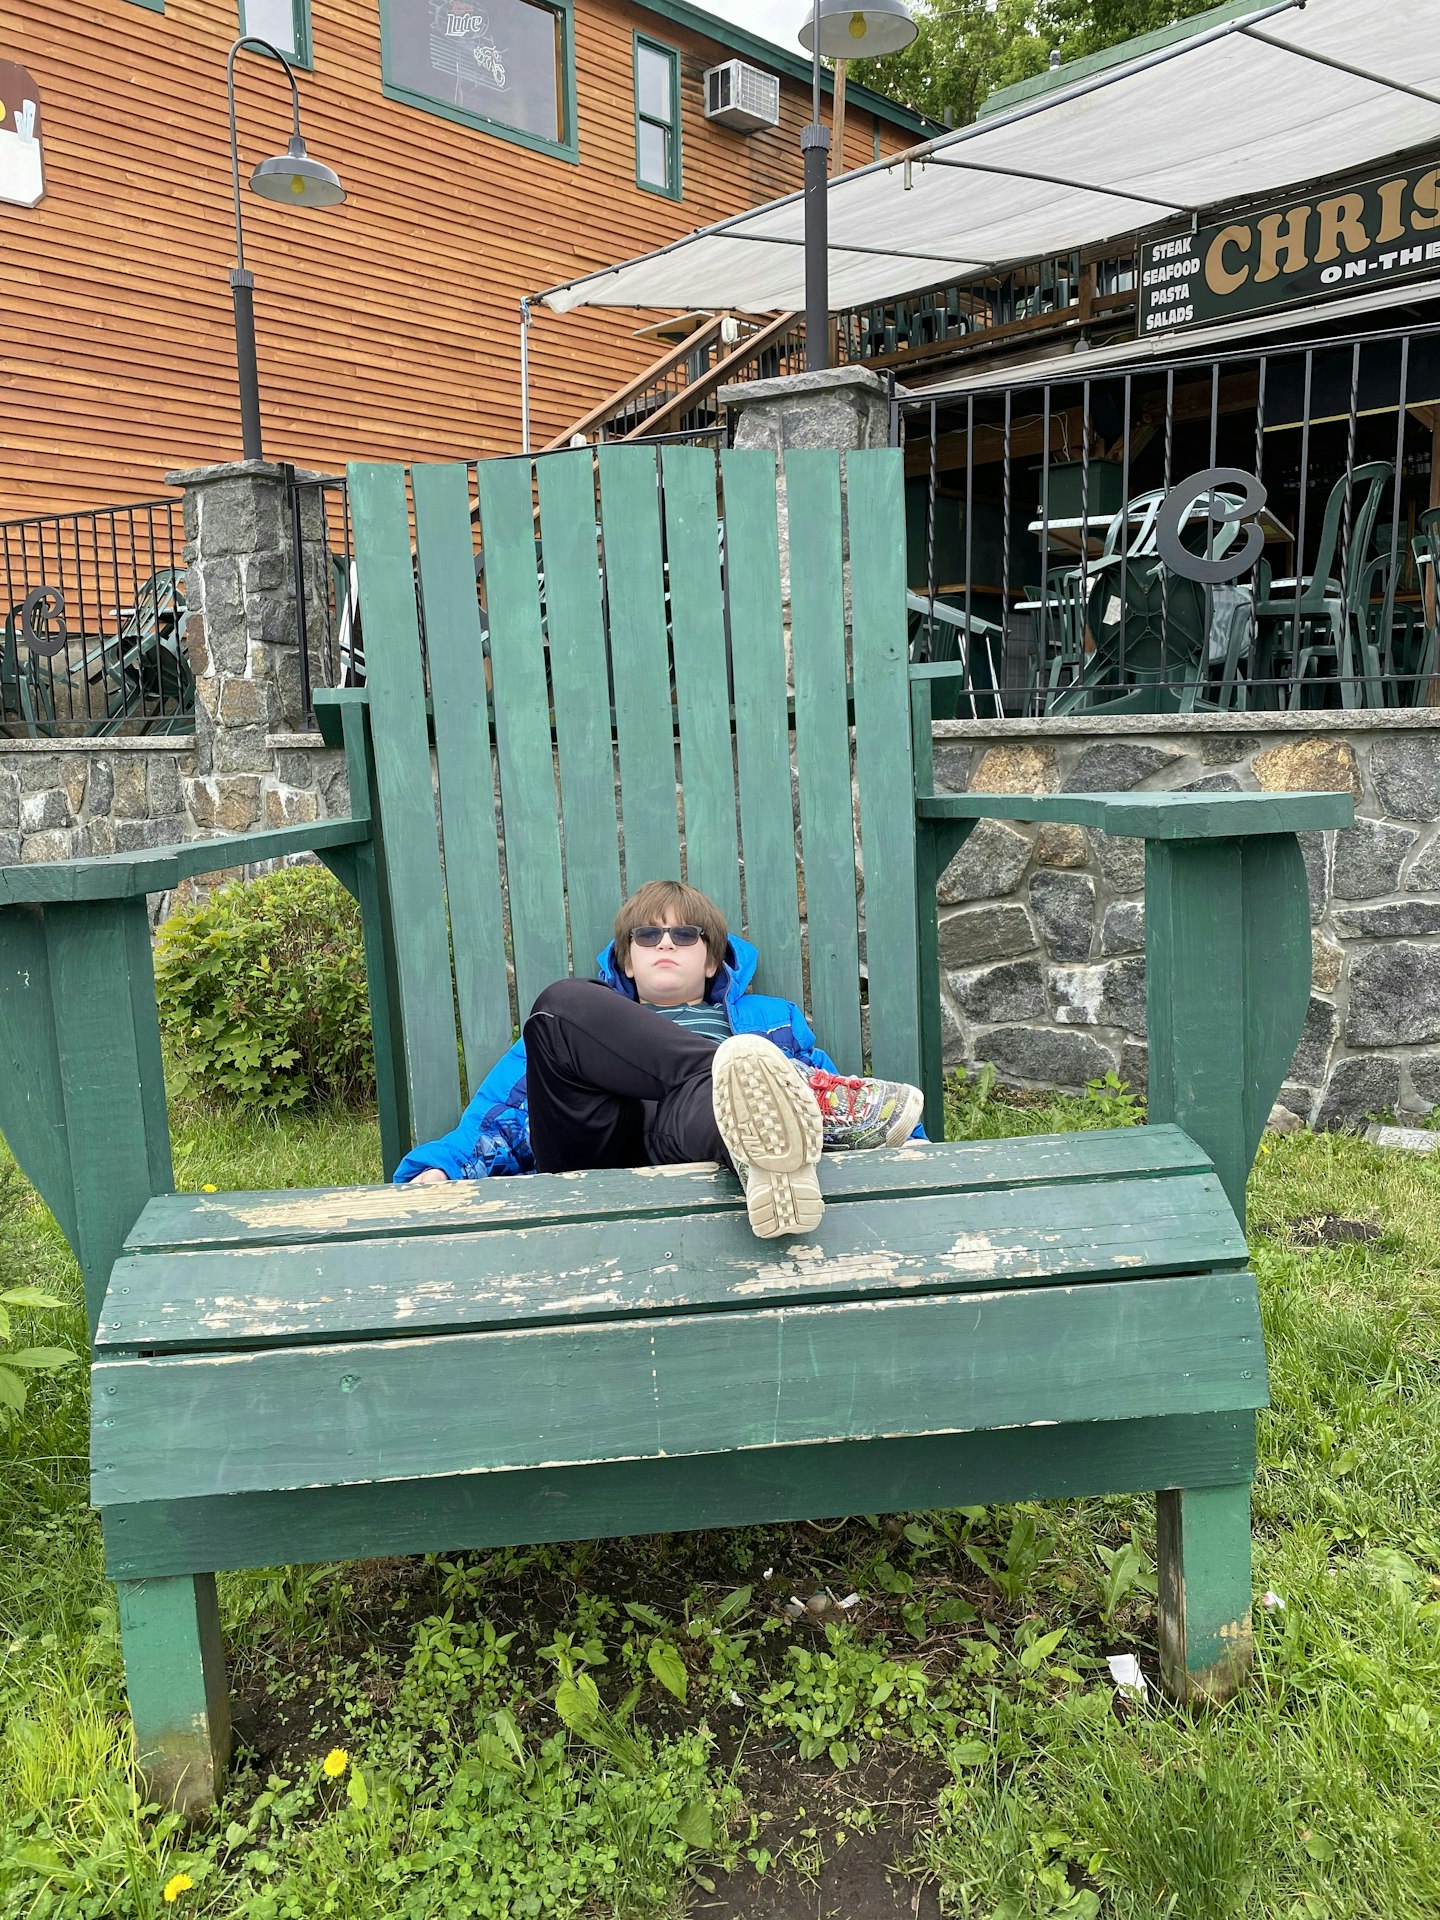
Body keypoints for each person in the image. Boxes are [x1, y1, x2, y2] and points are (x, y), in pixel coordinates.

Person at [396, 879, 924, 1239]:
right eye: (647, 935)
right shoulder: (586, 1020)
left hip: (693, 1133)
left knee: (736, 1085)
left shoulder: (769, 1020)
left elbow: (819, 1080)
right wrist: (445, 1168)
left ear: (711, 959)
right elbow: (503, 1113)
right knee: (556, 1006)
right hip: (598, 1147)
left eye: (684, 934)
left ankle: (764, 1145)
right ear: (627, 959)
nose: (664, 943)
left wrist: (912, 1143)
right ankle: (771, 1106)